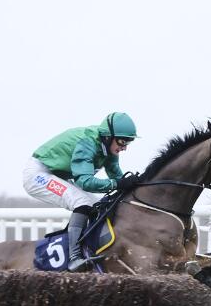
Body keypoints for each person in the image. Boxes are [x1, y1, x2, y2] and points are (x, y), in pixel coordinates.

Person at [22, 112, 141, 271]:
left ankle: (88, 249)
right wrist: (118, 183)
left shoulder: (108, 147)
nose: (124, 147)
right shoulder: (88, 143)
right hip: (38, 174)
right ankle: (74, 258)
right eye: (122, 141)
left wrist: (134, 185)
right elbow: (85, 182)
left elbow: (117, 177)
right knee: (82, 202)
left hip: (58, 174)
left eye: (128, 142)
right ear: (107, 136)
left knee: (96, 204)